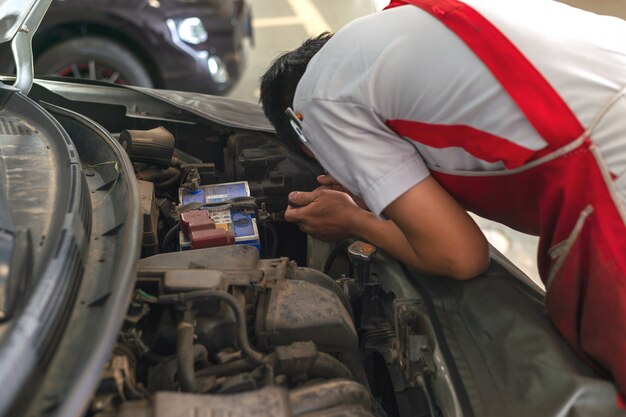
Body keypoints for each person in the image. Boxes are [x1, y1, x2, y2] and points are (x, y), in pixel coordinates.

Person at [259, 0, 626, 398]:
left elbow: (459, 255)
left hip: (606, 165)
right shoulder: (400, 32)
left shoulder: (316, 104)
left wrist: (354, 221)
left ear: (302, 134)